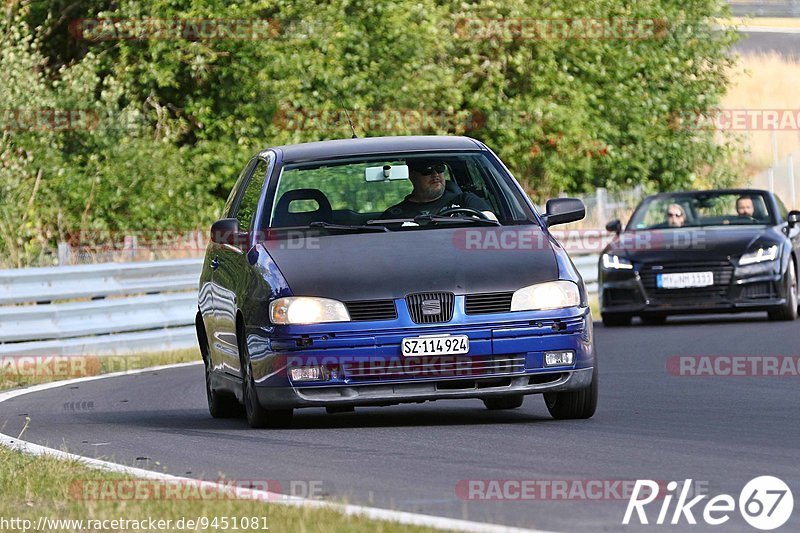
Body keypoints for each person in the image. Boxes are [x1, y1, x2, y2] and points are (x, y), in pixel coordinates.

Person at [380, 159, 494, 219]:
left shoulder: (465, 200)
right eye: (427, 170)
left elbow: (492, 223)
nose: (435, 174)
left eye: (439, 168)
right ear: (412, 175)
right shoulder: (394, 215)